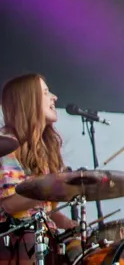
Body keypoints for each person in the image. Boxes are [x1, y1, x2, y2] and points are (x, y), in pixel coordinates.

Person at [0, 74, 80, 264]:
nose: (54, 97)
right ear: (28, 102)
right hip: (14, 245)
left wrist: (68, 225)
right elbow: (9, 205)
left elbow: (43, 210)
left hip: (43, 240)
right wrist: (56, 185)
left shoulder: (42, 149)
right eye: (46, 93)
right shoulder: (6, 143)